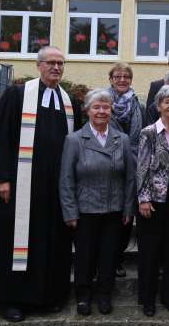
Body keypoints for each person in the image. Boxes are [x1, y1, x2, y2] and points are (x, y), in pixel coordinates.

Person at [0, 46, 81, 322]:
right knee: (16, 243)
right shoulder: (18, 95)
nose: (56, 67)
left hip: (54, 191)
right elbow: (0, 136)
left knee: (52, 242)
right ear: (38, 65)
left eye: (60, 63)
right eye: (51, 63)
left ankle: (49, 295)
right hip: (20, 186)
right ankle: (13, 299)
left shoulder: (70, 103)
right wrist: (0, 177)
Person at [59, 89, 135, 316]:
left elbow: (130, 177)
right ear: (88, 110)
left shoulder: (122, 139)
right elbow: (66, 178)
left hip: (114, 210)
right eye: (97, 107)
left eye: (106, 107)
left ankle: (104, 295)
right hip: (85, 210)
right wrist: (70, 211)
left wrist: (128, 207)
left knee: (109, 256)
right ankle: (83, 296)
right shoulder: (74, 140)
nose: (102, 111)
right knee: (84, 256)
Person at [136, 85, 169, 317]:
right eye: (167, 102)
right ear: (158, 106)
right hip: (154, 197)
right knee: (150, 250)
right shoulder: (148, 132)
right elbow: (141, 168)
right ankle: (147, 299)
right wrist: (143, 198)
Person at [107, 62, 143, 278]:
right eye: (118, 77)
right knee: (112, 214)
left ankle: (119, 256)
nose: (122, 80)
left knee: (127, 214)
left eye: (126, 77)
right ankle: (111, 260)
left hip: (134, 163)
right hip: (110, 164)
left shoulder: (138, 104)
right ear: (111, 79)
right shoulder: (103, 101)